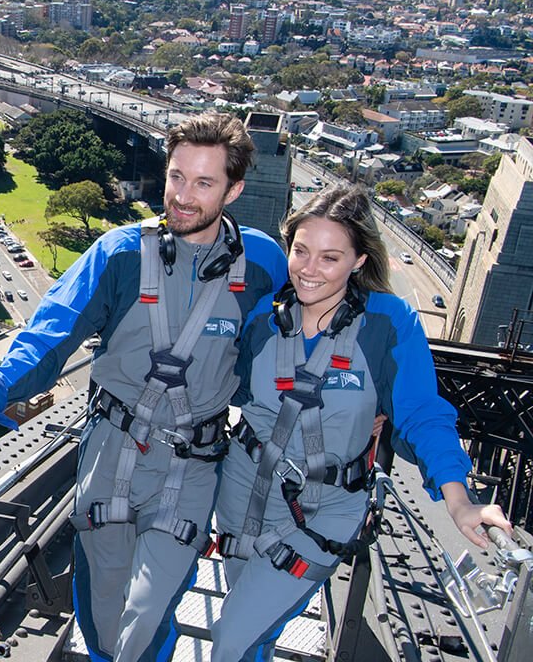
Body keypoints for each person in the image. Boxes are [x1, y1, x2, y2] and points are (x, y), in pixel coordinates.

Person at [0, 113, 289, 661]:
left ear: (235, 189)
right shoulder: (121, 254)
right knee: (104, 611)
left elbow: (294, 342)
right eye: (177, 177)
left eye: (204, 183)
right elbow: (52, 333)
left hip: (195, 462)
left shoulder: (264, 263)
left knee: (149, 610)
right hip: (113, 449)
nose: (183, 196)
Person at [211, 183, 512, 660]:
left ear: (358, 261)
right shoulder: (264, 321)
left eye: (330, 258)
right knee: (250, 627)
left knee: (231, 637)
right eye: (301, 251)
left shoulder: (387, 324)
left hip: (323, 511)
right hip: (242, 496)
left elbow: (422, 413)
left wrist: (460, 502)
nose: (309, 270)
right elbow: (227, 389)